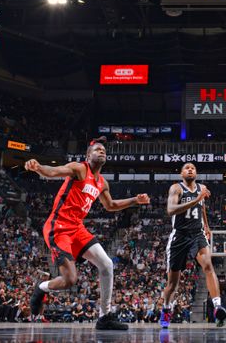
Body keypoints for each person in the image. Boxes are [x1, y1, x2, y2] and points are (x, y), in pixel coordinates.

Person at [26, 138, 150, 331]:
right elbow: (54, 171)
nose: (102, 152)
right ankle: (41, 288)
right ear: (88, 155)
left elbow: (111, 206)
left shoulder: (102, 182)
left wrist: (135, 200)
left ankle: (104, 317)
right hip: (58, 227)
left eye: (103, 150)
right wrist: (38, 167)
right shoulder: (79, 169)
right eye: (97, 150)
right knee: (70, 280)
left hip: (77, 228)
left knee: (107, 264)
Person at [159, 163, 226, 328]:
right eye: (187, 168)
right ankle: (166, 308)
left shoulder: (202, 187)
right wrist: (197, 198)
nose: (190, 169)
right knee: (173, 283)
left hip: (197, 234)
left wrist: (207, 225)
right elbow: (171, 209)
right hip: (179, 236)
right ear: (182, 173)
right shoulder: (176, 188)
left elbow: (201, 207)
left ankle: (218, 307)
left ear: (196, 173)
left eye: (193, 168)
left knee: (208, 266)